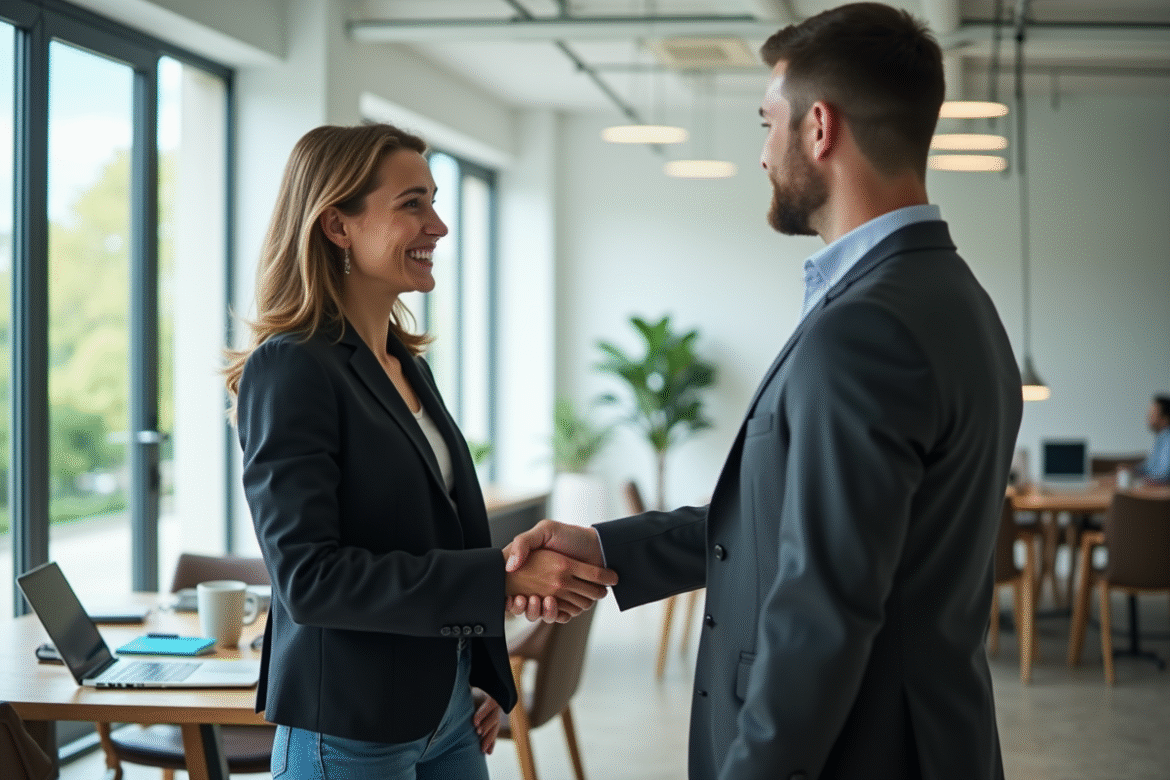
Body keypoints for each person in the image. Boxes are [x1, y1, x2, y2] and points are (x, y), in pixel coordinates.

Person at [504, 4, 1023, 779]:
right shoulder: (954, 299)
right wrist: (611, 547)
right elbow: (792, 523)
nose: (761, 154)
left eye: (765, 123)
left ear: (819, 128)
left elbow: (823, 611)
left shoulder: (868, 328)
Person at [225, 123, 617, 780]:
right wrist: (502, 579)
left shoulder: (404, 366)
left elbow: (440, 539)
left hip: (450, 711)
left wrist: (478, 668)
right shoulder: (291, 369)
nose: (438, 225)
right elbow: (310, 580)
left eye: (434, 201)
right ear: (338, 226)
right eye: (413, 203)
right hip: (347, 728)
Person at [1135, 395, 1170, 484]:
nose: (1148, 417)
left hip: (1161, 495)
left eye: (1152, 414)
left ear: (1165, 418)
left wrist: (1141, 480)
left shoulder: (1168, 439)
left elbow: (1164, 475)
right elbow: (1150, 467)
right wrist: (1132, 471)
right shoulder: (1161, 438)